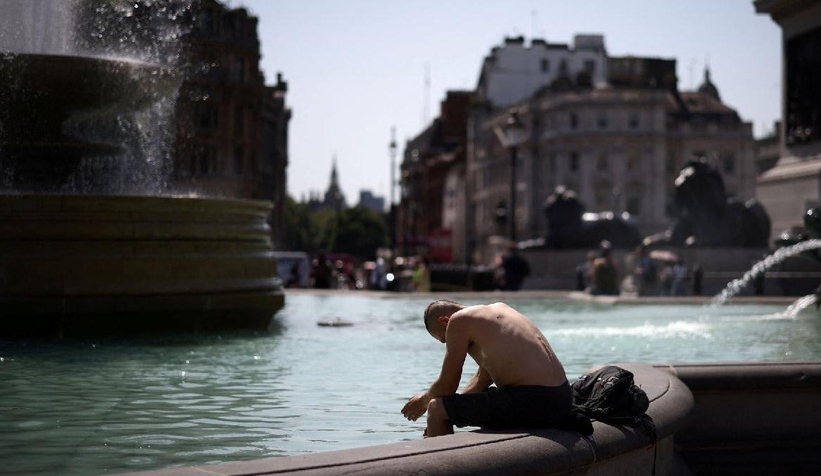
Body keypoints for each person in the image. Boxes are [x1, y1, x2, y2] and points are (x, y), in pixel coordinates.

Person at [401, 300, 571, 437]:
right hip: (561, 398)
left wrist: (422, 402)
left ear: (445, 320)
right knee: (445, 409)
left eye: (444, 339)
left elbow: (447, 386)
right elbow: (482, 379)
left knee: (436, 408)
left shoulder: (458, 321)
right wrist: (452, 413)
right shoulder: (499, 310)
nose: (448, 342)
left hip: (534, 401)